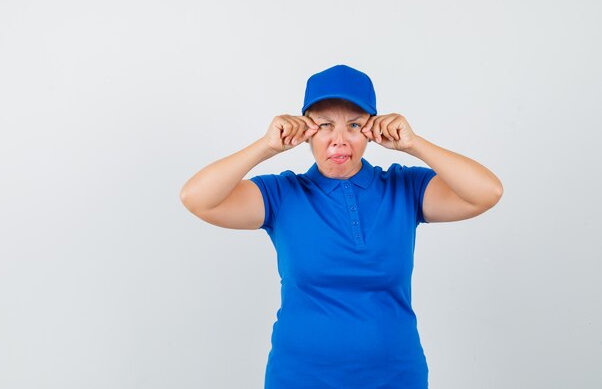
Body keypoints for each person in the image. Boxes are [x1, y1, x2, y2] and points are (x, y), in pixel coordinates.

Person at [180, 64, 503, 389]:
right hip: (299, 378)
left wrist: (415, 144)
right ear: (305, 129)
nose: (339, 140)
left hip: (395, 377)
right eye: (324, 125)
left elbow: (486, 192)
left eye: (354, 125)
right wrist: (265, 146)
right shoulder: (281, 194)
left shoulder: (404, 188)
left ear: (373, 130)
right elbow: (197, 198)